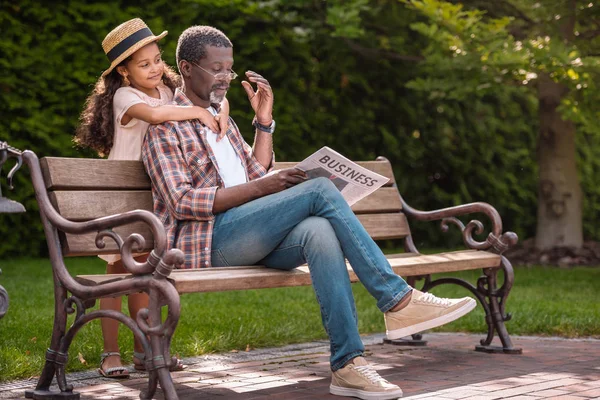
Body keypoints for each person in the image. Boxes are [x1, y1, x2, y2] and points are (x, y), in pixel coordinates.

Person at [141, 25, 477, 400]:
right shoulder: (165, 127)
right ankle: (397, 300)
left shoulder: (224, 120)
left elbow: (255, 174)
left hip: (247, 234)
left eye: (229, 69)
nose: (225, 78)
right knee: (318, 190)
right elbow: (182, 201)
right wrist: (264, 187)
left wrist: (263, 122)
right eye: (215, 69)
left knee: (319, 229)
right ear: (186, 69)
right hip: (205, 243)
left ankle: (348, 365)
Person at [74, 18, 231, 379]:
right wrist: (197, 112)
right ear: (125, 73)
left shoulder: (166, 90)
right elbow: (159, 116)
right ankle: (110, 353)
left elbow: (208, 99)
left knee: (146, 272)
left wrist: (217, 110)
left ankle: (146, 350)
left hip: (154, 193)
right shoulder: (125, 97)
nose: (155, 68)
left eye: (158, 59)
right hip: (121, 197)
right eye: (144, 64)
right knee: (117, 271)